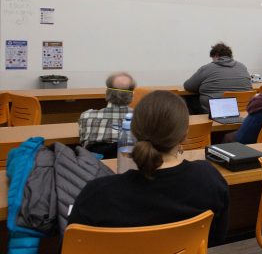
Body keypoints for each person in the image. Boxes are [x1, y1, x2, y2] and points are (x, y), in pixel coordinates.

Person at [69, 91, 229, 246]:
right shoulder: (209, 179)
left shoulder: (98, 194)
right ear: (185, 134)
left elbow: (72, 248)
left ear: (133, 130)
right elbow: (217, 238)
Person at [78, 72, 136, 159]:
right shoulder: (143, 119)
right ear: (132, 95)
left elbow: (82, 141)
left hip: (94, 168)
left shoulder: (86, 116)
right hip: (131, 167)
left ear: (107, 93)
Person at [184, 42, 252, 114]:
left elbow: (188, 86)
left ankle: (198, 124)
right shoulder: (242, 67)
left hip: (214, 112)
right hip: (241, 111)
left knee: (187, 99)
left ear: (216, 56)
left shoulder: (208, 68)